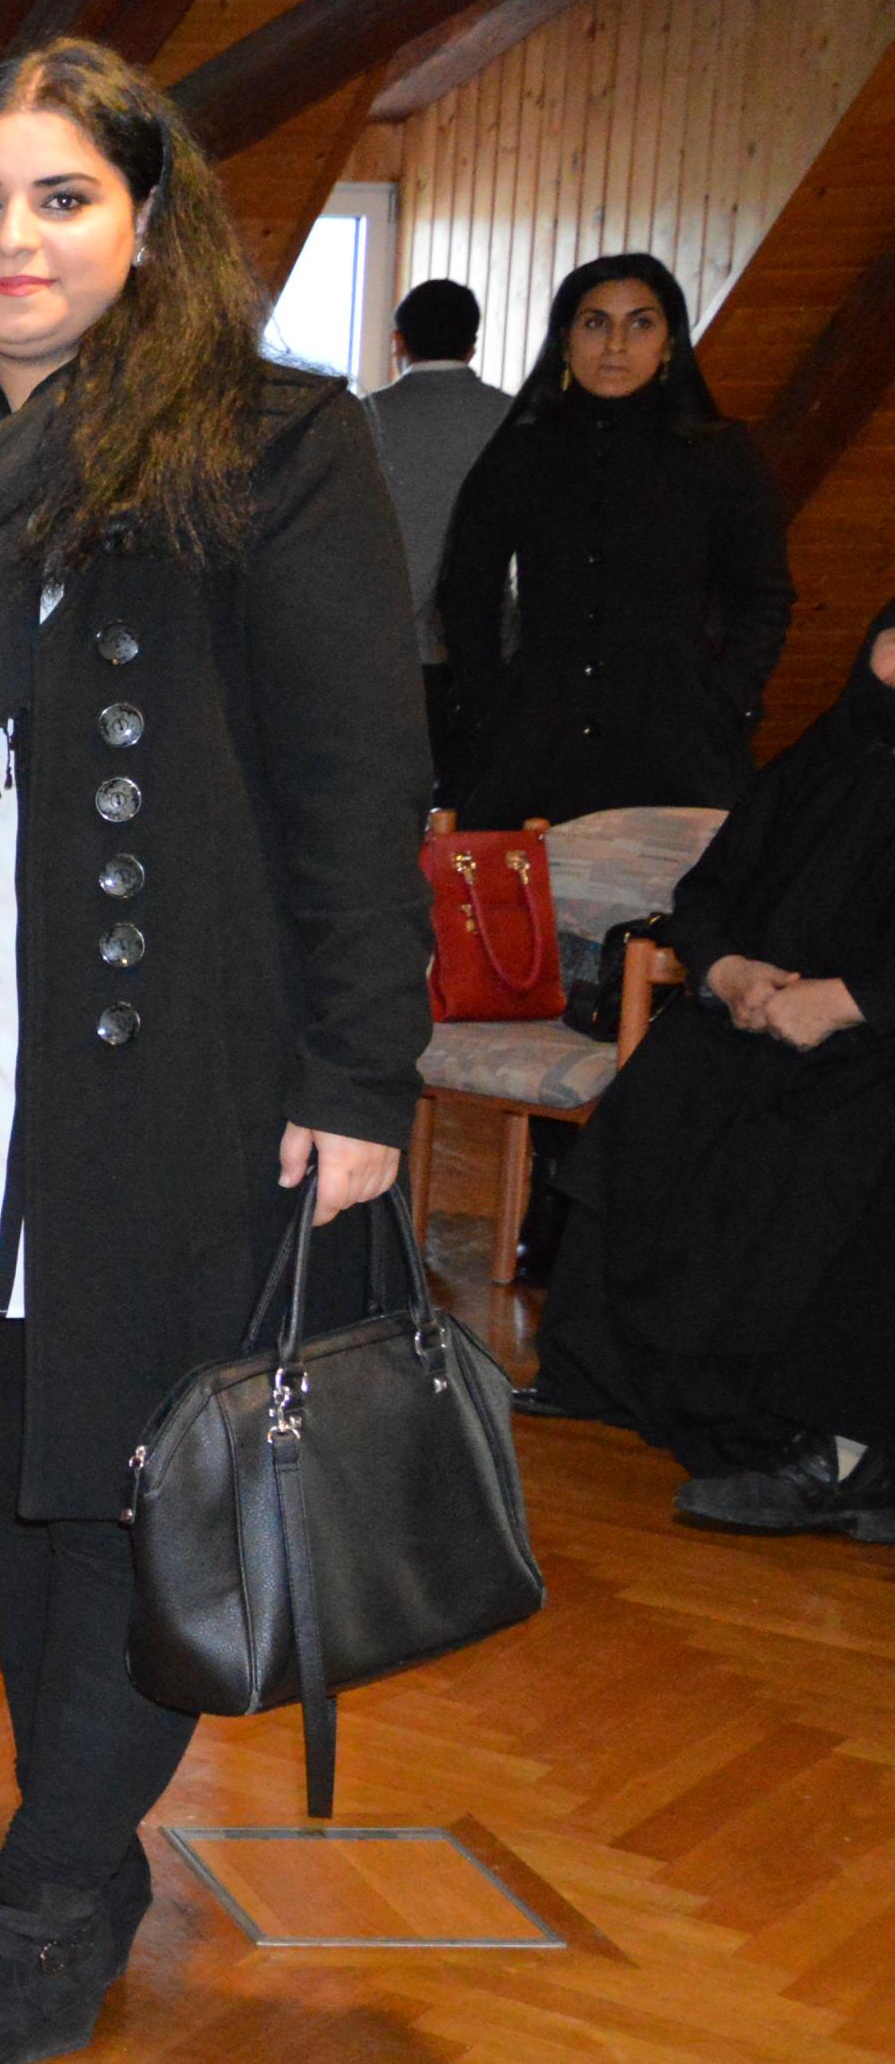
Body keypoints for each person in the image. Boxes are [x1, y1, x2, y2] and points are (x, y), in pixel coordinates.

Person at [0, 38, 430, 2064]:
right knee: (37, 1479)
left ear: (147, 221)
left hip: (169, 1085)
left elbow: (355, 783)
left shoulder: (266, 441)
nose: (16, 240)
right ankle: (79, 1856)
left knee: (135, 1491)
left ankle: (48, 1896)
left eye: (62, 198)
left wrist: (361, 1075)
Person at [536, 594, 895, 1538]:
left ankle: (818, 1450)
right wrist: (729, 970)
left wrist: (848, 1000)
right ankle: (599, 1372)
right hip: (755, 1015)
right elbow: (706, 891)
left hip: (871, 1043)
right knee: (666, 1088)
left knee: (824, 1150)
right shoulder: (822, 756)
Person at [435, 253, 798, 826]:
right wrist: (489, 704)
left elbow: (763, 596)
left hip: (679, 741)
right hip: (535, 740)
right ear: (565, 340)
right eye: (595, 322)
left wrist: (727, 701)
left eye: (641, 323)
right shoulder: (522, 453)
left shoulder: (719, 455)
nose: (615, 345)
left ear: (669, 345)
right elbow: (466, 592)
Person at [364, 277, 513, 768]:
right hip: (488, 647)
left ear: (398, 342)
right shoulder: (513, 419)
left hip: (383, 646)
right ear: (472, 345)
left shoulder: (363, 420)